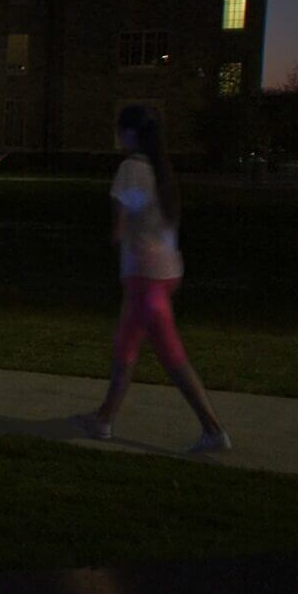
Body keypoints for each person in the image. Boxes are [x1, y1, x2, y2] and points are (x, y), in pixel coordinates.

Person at [80, 104, 229, 453]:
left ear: (132, 133)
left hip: (144, 276)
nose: (118, 135)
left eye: (121, 129)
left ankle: (213, 429)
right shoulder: (162, 170)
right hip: (166, 271)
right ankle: (104, 418)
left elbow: (119, 228)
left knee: (172, 357)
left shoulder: (130, 170)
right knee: (126, 346)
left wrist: (118, 229)